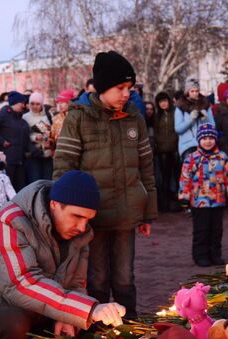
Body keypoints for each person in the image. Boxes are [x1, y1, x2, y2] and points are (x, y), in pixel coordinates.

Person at [0, 170, 126, 339]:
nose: (82, 227)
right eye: (77, 216)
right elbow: (23, 284)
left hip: (34, 312)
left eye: (88, 219)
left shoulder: (80, 235)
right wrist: (89, 310)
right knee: (15, 324)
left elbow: (76, 285)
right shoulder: (10, 221)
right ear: (54, 204)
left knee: (83, 328)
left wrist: (66, 317)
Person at [53, 51, 157, 318]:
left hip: (125, 215)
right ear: (103, 87)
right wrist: (64, 213)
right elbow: (64, 165)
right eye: (120, 88)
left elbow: (145, 166)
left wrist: (147, 212)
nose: (126, 94)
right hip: (92, 219)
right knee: (96, 280)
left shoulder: (134, 117)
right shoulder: (78, 117)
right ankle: (98, 336)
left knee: (124, 280)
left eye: (129, 88)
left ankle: (131, 330)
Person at [179, 123, 228, 267]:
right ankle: (200, 255)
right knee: (201, 230)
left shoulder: (222, 157)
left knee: (216, 230)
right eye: (204, 138)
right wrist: (184, 198)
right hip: (199, 202)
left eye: (211, 138)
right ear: (199, 140)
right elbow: (185, 179)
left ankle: (215, 254)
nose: (208, 141)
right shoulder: (192, 158)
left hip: (218, 200)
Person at [0, 91, 31, 192]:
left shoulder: (21, 119)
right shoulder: (3, 115)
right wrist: (1, 140)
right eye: (21, 103)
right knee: (7, 189)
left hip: (20, 160)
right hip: (8, 160)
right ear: (15, 103)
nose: (23, 105)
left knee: (20, 189)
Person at [175, 77, 215, 161]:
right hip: (187, 146)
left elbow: (213, 126)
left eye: (197, 91)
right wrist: (190, 120)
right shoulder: (180, 106)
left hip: (205, 144)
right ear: (187, 92)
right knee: (190, 172)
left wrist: (204, 119)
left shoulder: (205, 104)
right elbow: (178, 129)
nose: (195, 94)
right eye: (192, 91)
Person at [153, 91, 179, 212]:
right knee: (165, 178)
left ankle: (179, 203)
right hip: (163, 151)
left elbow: (177, 130)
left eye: (165, 101)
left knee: (178, 176)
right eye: (160, 102)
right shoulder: (157, 116)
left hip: (175, 150)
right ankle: (165, 204)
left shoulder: (176, 113)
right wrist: (159, 146)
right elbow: (156, 134)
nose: (163, 104)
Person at [23, 92, 54, 183]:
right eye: (32, 103)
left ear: (41, 104)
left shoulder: (48, 116)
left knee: (47, 181)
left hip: (47, 154)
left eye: (37, 104)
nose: (35, 106)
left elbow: (53, 132)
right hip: (33, 154)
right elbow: (23, 135)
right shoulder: (25, 117)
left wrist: (49, 139)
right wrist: (34, 137)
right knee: (35, 181)